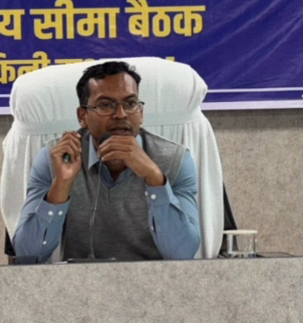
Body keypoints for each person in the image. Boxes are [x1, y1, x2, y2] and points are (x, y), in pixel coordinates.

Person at [13, 61, 201, 262]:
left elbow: (182, 254)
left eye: (130, 104)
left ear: (141, 113)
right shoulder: (57, 158)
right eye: (105, 105)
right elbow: (28, 255)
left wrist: (155, 179)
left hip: (154, 280)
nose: (120, 114)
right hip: (80, 280)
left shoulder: (174, 160)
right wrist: (61, 185)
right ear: (82, 116)